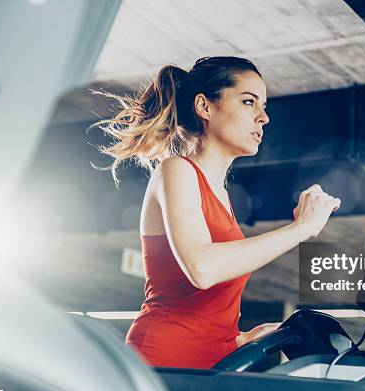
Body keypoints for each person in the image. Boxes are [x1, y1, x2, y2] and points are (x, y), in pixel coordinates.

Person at [92, 56, 340, 369]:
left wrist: (238, 338)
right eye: (249, 102)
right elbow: (203, 269)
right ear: (205, 106)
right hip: (166, 354)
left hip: (214, 358)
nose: (263, 117)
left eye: (264, 106)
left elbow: (207, 307)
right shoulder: (176, 170)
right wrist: (300, 229)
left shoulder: (219, 193)